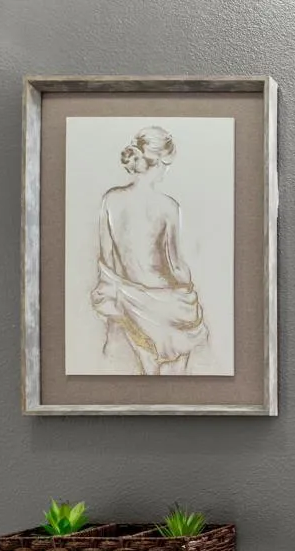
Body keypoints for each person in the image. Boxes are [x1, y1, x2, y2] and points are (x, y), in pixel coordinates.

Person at [91, 126, 209, 375]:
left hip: (126, 300)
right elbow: (175, 266)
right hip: (164, 306)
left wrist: (121, 291)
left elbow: (107, 258)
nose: (167, 170)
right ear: (157, 163)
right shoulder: (168, 207)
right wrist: (188, 287)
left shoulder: (110, 200)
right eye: (167, 164)